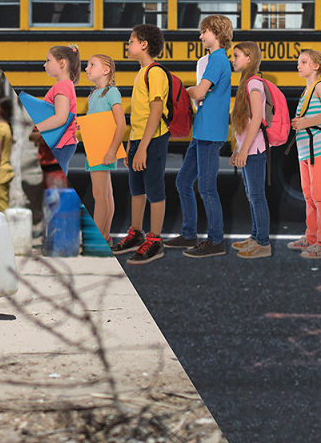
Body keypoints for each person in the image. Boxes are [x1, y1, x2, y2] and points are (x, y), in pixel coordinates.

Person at [166, 14, 233, 258]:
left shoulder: (218, 60)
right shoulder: (215, 60)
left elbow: (200, 91)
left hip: (211, 131)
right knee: (183, 181)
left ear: (216, 33)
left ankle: (216, 240)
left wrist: (174, 93)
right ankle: (189, 233)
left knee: (206, 187)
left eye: (204, 31)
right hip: (202, 129)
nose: (201, 36)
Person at [111, 24, 169, 265]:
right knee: (137, 188)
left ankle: (155, 240)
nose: (128, 45)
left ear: (143, 44)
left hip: (153, 139)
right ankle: (136, 232)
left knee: (154, 188)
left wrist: (143, 147)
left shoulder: (155, 73)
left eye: (131, 41)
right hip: (139, 139)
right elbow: (139, 114)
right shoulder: (141, 72)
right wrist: (131, 147)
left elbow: (155, 113)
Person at [289, 49, 321, 259]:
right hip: (305, 149)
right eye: (299, 62)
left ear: (316, 66)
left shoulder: (319, 86)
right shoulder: (306, 91)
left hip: (318, 147)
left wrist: (304, 122)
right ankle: (311, 237)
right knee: (309, 196)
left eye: (304, 62)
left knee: (319, 195)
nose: (299, 66)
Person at [228, 42, 271, 259]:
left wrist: (244, 151)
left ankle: (263, 242)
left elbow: (255, 121)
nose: (232, 60)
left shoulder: (254, 84)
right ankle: (255, 236)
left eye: (236, 56)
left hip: (255, 150)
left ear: (248, 57)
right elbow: (243, 124)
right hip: (248, 148)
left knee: (256, 195)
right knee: (251, 195)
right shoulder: (246, 82)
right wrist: (237, 149)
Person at [84, 54, 126, 245]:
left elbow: (121, 124)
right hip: (94, 147)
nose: (87, 68)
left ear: (106, 70)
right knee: (105, 195)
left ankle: (98, 240)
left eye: (92, 65)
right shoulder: (94, 94)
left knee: (99, 196)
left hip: (102, 149)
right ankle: (106, 237)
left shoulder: (111, 93)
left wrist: (111, 150)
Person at [34, 45, 80, 172]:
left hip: (60, 143)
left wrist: (37, 128)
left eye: (48, 60)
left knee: (56, 185)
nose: (45, 65)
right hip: (63, 142)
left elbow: (61, 118)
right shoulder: (66, 85)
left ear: (62, 63)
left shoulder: (62, 87)